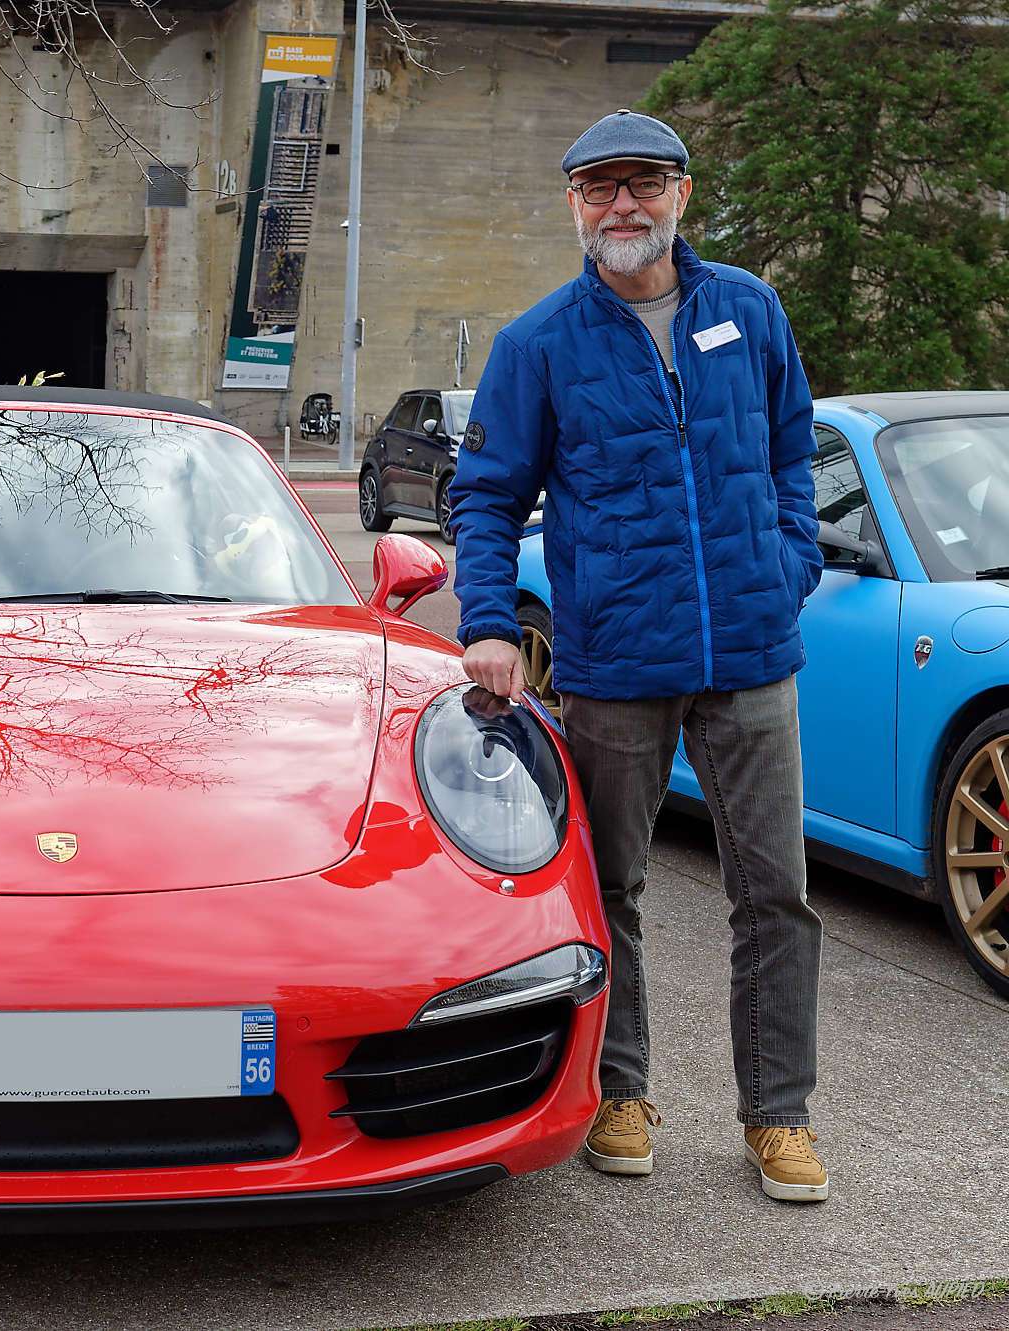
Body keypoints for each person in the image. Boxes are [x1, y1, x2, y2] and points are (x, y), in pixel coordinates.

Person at [448, 109, 828, 1202]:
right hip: (615, 664)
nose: (623, 204)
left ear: (681, 194)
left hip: (750, 653)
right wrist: (486, 622)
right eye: (600, 187)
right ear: (573, 205)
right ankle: (620, 1091)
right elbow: (484, 497)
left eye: (643, 183)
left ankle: (778, 1114)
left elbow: (790, 450)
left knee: (776, 893)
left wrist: (788, 562)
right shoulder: (538, 344)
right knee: (609, 889)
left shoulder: (747, 310)